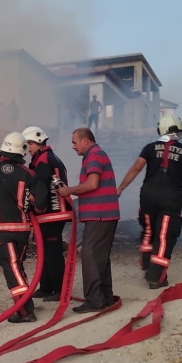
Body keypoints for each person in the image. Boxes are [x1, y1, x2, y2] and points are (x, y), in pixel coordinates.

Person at [117, 115, 182, 289]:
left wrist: (121, 188)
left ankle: (147, 267)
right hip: (171, 197)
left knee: (148, 230)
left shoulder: (149, 148)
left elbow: (136, 168)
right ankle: (156, 277)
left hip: (148, 196)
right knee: (164, 235)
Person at [0, 132, 48, 323]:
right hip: (22, 230)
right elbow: (41, 202)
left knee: (11, 269)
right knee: (17, 266)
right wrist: (29, 204)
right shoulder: (28, 174)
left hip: (1, 230)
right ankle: (27, 304)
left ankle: (25, 311)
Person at [56, 128, 120, 313]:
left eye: (74, 142)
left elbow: (92, 184)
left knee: (90, 255)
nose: (73, 146)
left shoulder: (94, 155)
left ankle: (94, 301)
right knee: (100, 257)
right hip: (104, 214)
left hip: (100, 214)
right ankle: (105, 297)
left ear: (85, 140)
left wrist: (69, 191)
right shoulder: (96, 154)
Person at [22, 125, 74, 301]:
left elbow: (41, 190)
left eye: (30, 143)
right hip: (52, 214)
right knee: (44, 250)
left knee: (52, 251)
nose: (28, 148)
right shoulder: (45, 158)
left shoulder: (44, 160)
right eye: (26, 144)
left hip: (52, 214)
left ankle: (60, 290)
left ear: (39, 142)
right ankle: (46, 286)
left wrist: (37, 208)